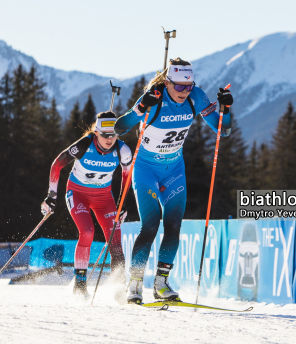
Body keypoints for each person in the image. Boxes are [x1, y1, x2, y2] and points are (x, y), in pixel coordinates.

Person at [114, 58, 233, 304]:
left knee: (173, 225)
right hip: (146, 169)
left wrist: (225, 110)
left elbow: (224, 130)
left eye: (188, 86)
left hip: (174, 170)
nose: (184, 92)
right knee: (150, 225)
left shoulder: (195, 97)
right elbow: (119, 128)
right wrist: (139, 109)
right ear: (168, 83)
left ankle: (161, 283)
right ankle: (134, 284)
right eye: (179, 86)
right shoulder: (154, 97)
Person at [41, 111, 132, 300]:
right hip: (78, 193)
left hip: (104, 197)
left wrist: (123, 203)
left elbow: (126, 175)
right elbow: (57, 165)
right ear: (96, 132)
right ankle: (80, 284)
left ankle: (120, 287)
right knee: (87, 232)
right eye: (105, 135)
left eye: (114, 134)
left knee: (115, 240)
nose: (110, 139)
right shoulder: (83, 145)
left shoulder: (122, 150)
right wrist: (51, 195)